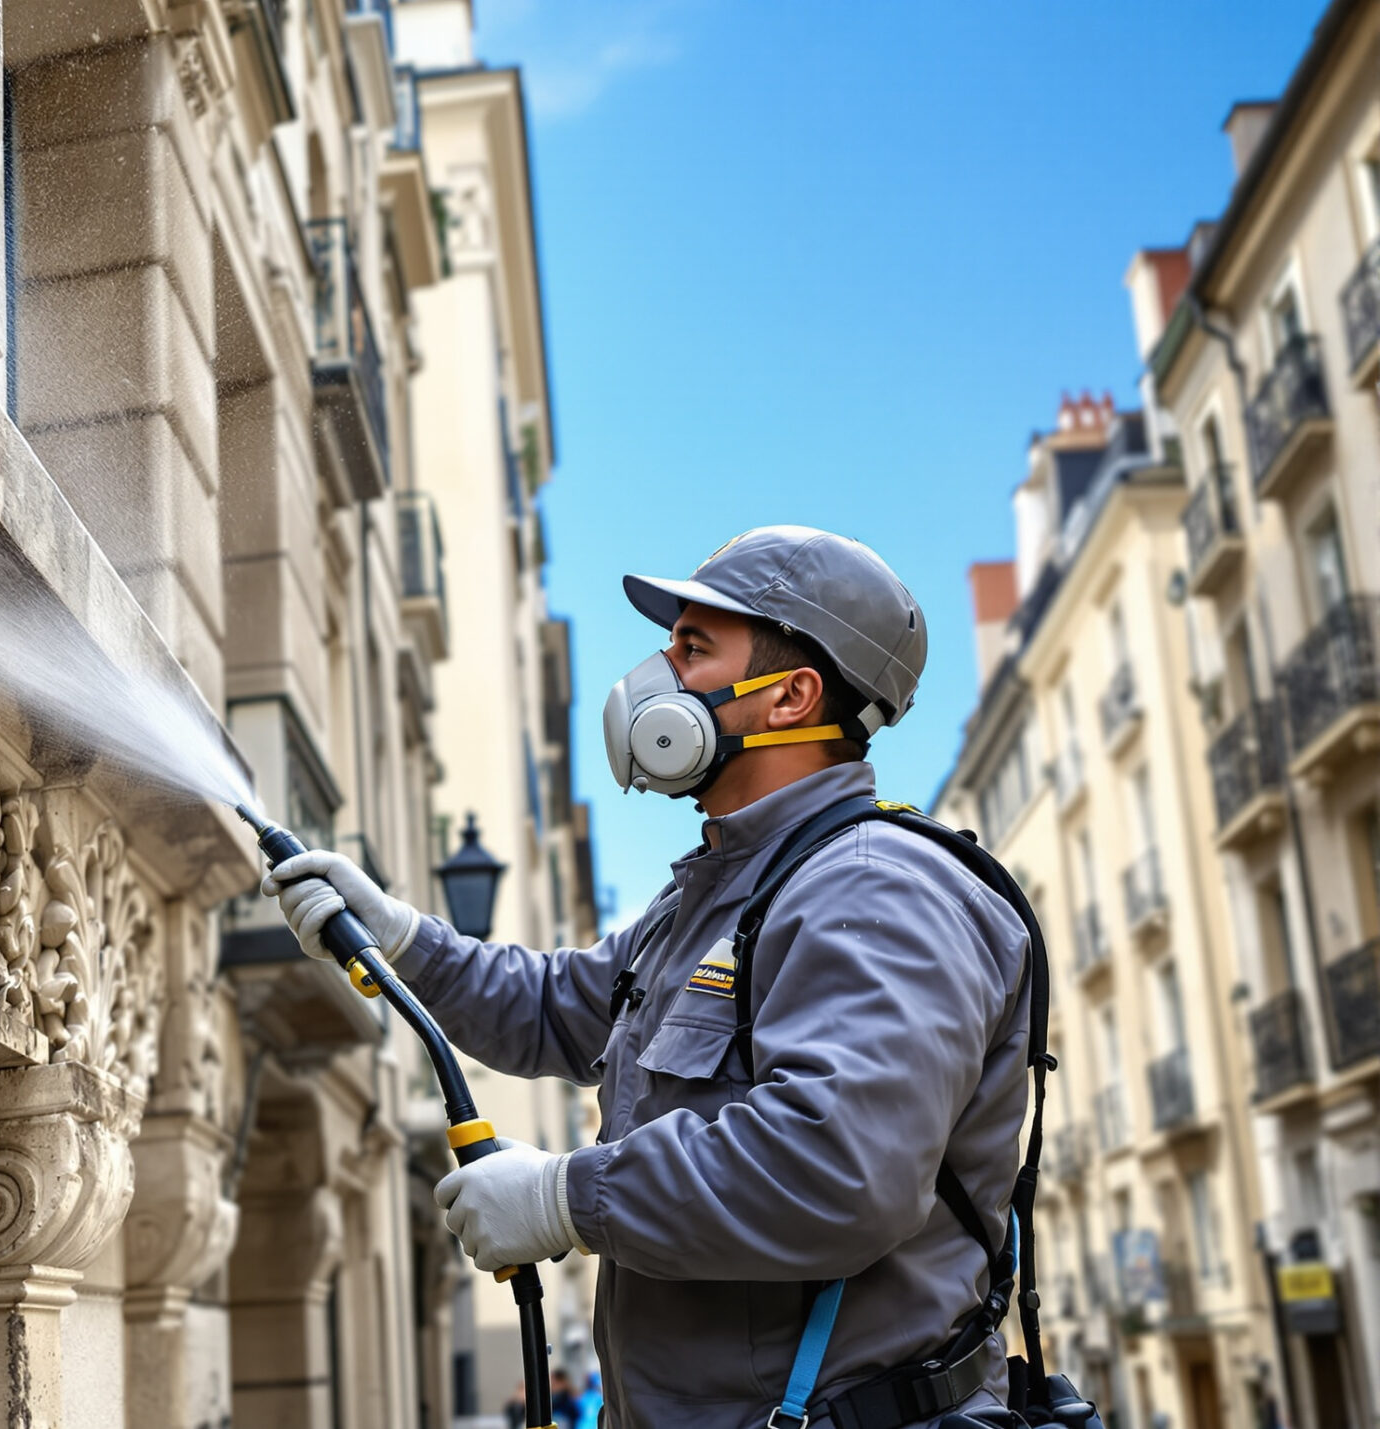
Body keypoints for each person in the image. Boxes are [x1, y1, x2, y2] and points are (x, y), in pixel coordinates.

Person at [265, 527, 1033, 1429]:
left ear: (792, 696)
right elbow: (555, 1007)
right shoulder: (716, 900)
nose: (658, 671)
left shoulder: (872, 888)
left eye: (694, 647)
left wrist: (566, 1198)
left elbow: (837, 1163)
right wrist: (400, 936)